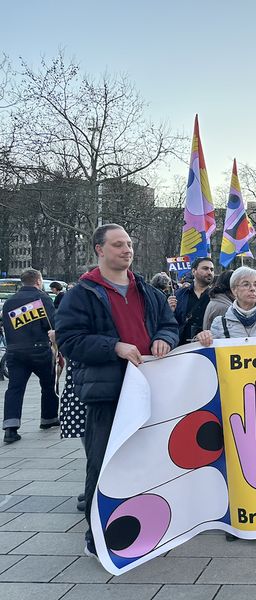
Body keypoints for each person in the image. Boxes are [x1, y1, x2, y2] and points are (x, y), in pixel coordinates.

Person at [55, 223, 178, 558]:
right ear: (100, 249)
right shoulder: (82, 293)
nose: (127, 250)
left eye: (129, 244)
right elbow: (70, 340)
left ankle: (140, 528)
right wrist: (114, 347)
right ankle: (97, 536)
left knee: (145, 462)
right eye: (118, 245)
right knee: (104, 464)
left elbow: (169, 324)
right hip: (106, 393)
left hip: (149, 389)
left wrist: (164, 339)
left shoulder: (147, 291)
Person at [1, 268, 59, 443]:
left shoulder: (9, 302)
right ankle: (48, 418)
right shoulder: (42, 298)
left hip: (14, 351)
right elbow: (51, 323)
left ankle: (10, 428)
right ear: (38, 281)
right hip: (39, 349)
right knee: (48, 384)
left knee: (15, 388)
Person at [194, 267, 256, 341]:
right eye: (246, 284)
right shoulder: (219, 323)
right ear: (234, 290)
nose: (253, 289)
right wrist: (201, 338)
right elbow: (210, 351)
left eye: (255, 285)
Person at [174, 257, 215, 344]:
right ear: (193, 271)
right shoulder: (180, 294)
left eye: (211, 269)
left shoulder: (217, 296)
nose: (209, 272)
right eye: (205, 268)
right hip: (183, 347)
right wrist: (170, 310)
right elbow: (172, 321)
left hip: (209, 346)